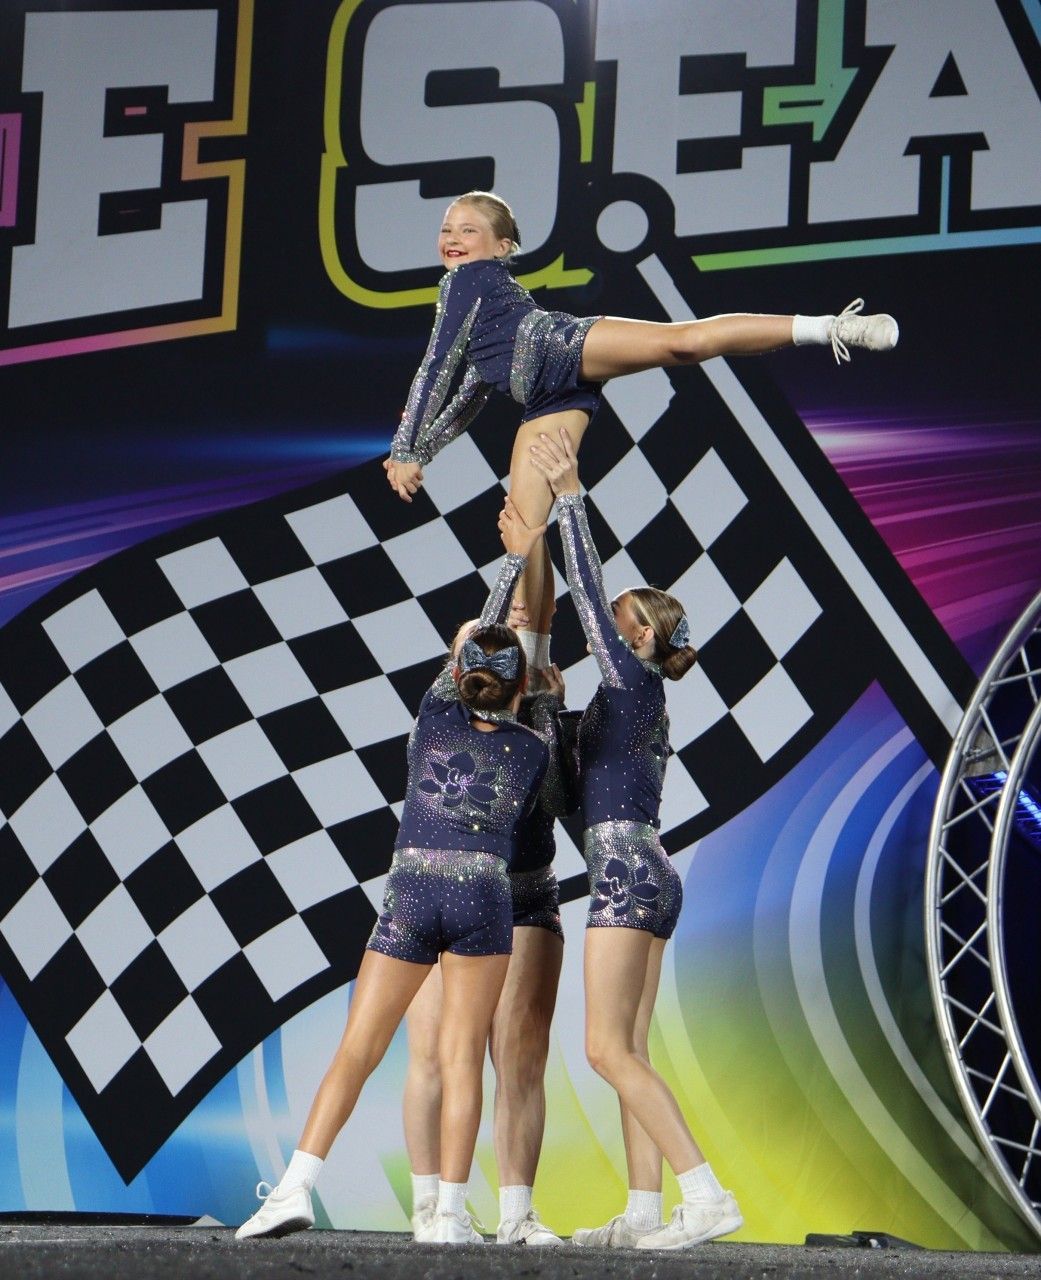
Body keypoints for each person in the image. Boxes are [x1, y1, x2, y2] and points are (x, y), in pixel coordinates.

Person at [384, 189, 898, 667]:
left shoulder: (465, 282)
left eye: (468, 230)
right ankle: (534, 674)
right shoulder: (475, 298)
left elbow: (435, 365)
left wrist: (406, 447)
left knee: (683, 343)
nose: (452, 239)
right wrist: (423, 449)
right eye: (447, 229)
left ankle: (832, 326)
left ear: (503, 246)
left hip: (559, 346)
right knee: (526, 531)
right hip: (545, 398)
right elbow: (471, 389)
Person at [235, 507, 550, 1247]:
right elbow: (497, 672)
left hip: (409, 892)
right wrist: (533, 682)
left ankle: (291, 1188)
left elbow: (467, 643)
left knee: (357, 1048)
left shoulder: (431, 717)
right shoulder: (532, 747)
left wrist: (506, 564)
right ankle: (444, 1214)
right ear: (517, 689)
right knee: (464, 1054)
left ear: (458, 675)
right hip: (481, 898)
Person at [528, 428, 741, 1251]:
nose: (599, 632)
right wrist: (547, 710)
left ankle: (707, 1196)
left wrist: (573, 495)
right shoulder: (615, 705)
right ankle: (647, 1212)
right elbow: (566, 800)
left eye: (615, 625)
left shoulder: (629, 677)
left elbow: (582, 588)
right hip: (642, 868)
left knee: (603, 1049)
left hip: (624, 874)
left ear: (643, 639)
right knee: (630, 1051)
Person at [404, 552, 578, 1248]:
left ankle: (515, 1213)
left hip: (525, 894)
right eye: (493, 627)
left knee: (520, 1058)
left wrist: (550, 713)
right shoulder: (444, 707)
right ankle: (430, 1209)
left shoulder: (541, 701)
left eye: (525, 620)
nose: (512, 623)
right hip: (443, 889)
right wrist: (517, 549)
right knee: (437, 1054)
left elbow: (561, 804)